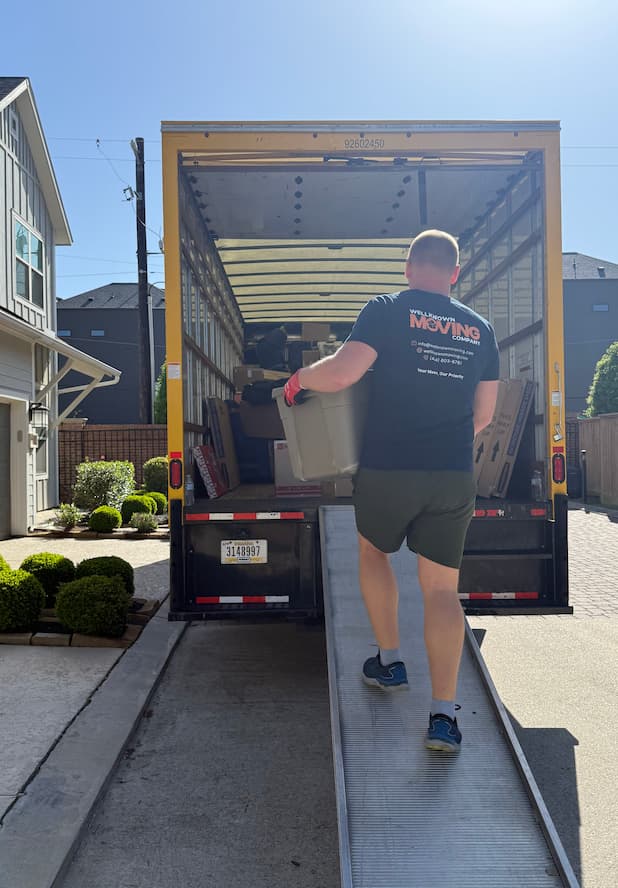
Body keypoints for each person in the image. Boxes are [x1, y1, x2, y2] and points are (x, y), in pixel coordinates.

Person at [283, 230, 499, 752]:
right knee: (442, 592)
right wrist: (442, 445)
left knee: (373, 551)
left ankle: (388, 662)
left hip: (389, 469)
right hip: (451, 475)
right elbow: (485, 416)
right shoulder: (480, 328)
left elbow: (341, 374)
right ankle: (444, 717)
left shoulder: (385, 309)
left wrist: (298, 381)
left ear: (408, 268)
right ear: (454, 274)